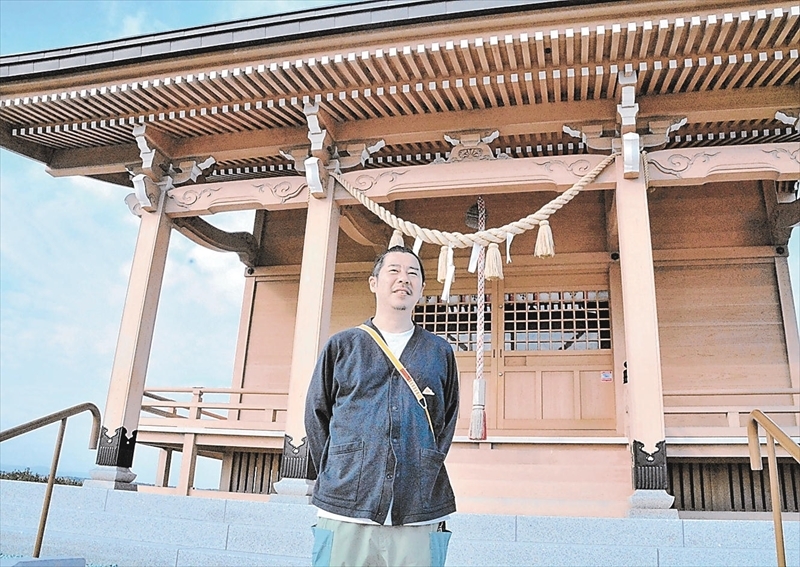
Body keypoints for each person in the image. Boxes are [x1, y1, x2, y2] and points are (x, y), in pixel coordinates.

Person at [305, 245, 460, 567]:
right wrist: (340, 468)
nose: (403, 279)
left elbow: (446, 419)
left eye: (412, 273)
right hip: (346, 504)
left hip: (417, 506)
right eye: (394, 270)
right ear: (374, 282)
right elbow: (317, 414)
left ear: (421, 289)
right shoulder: (343, 345)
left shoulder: (439, 351)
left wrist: (425, 464)